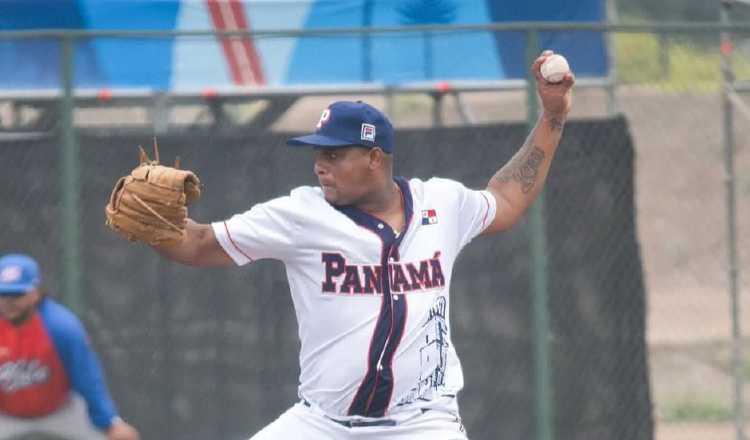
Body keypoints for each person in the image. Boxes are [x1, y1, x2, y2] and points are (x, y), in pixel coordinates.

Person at [150, 50, 573, 439]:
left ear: (374, 158)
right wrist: (154, 226)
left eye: (334, 156)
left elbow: (506, 199)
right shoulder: (302, 214)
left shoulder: (441, 204)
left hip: (421, 422)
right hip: (322, 423)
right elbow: (201, 243)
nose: (320, 166)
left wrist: (551, 119)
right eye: (318, 154)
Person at [0, 254, 140, 440]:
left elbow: (87, 377)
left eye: (17, 294)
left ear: (36, 292)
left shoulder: (60, 326)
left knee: (124, 438)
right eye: (3, 294)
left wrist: (109, 421)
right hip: (6, 416)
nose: (9, 303)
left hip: (61, 413)